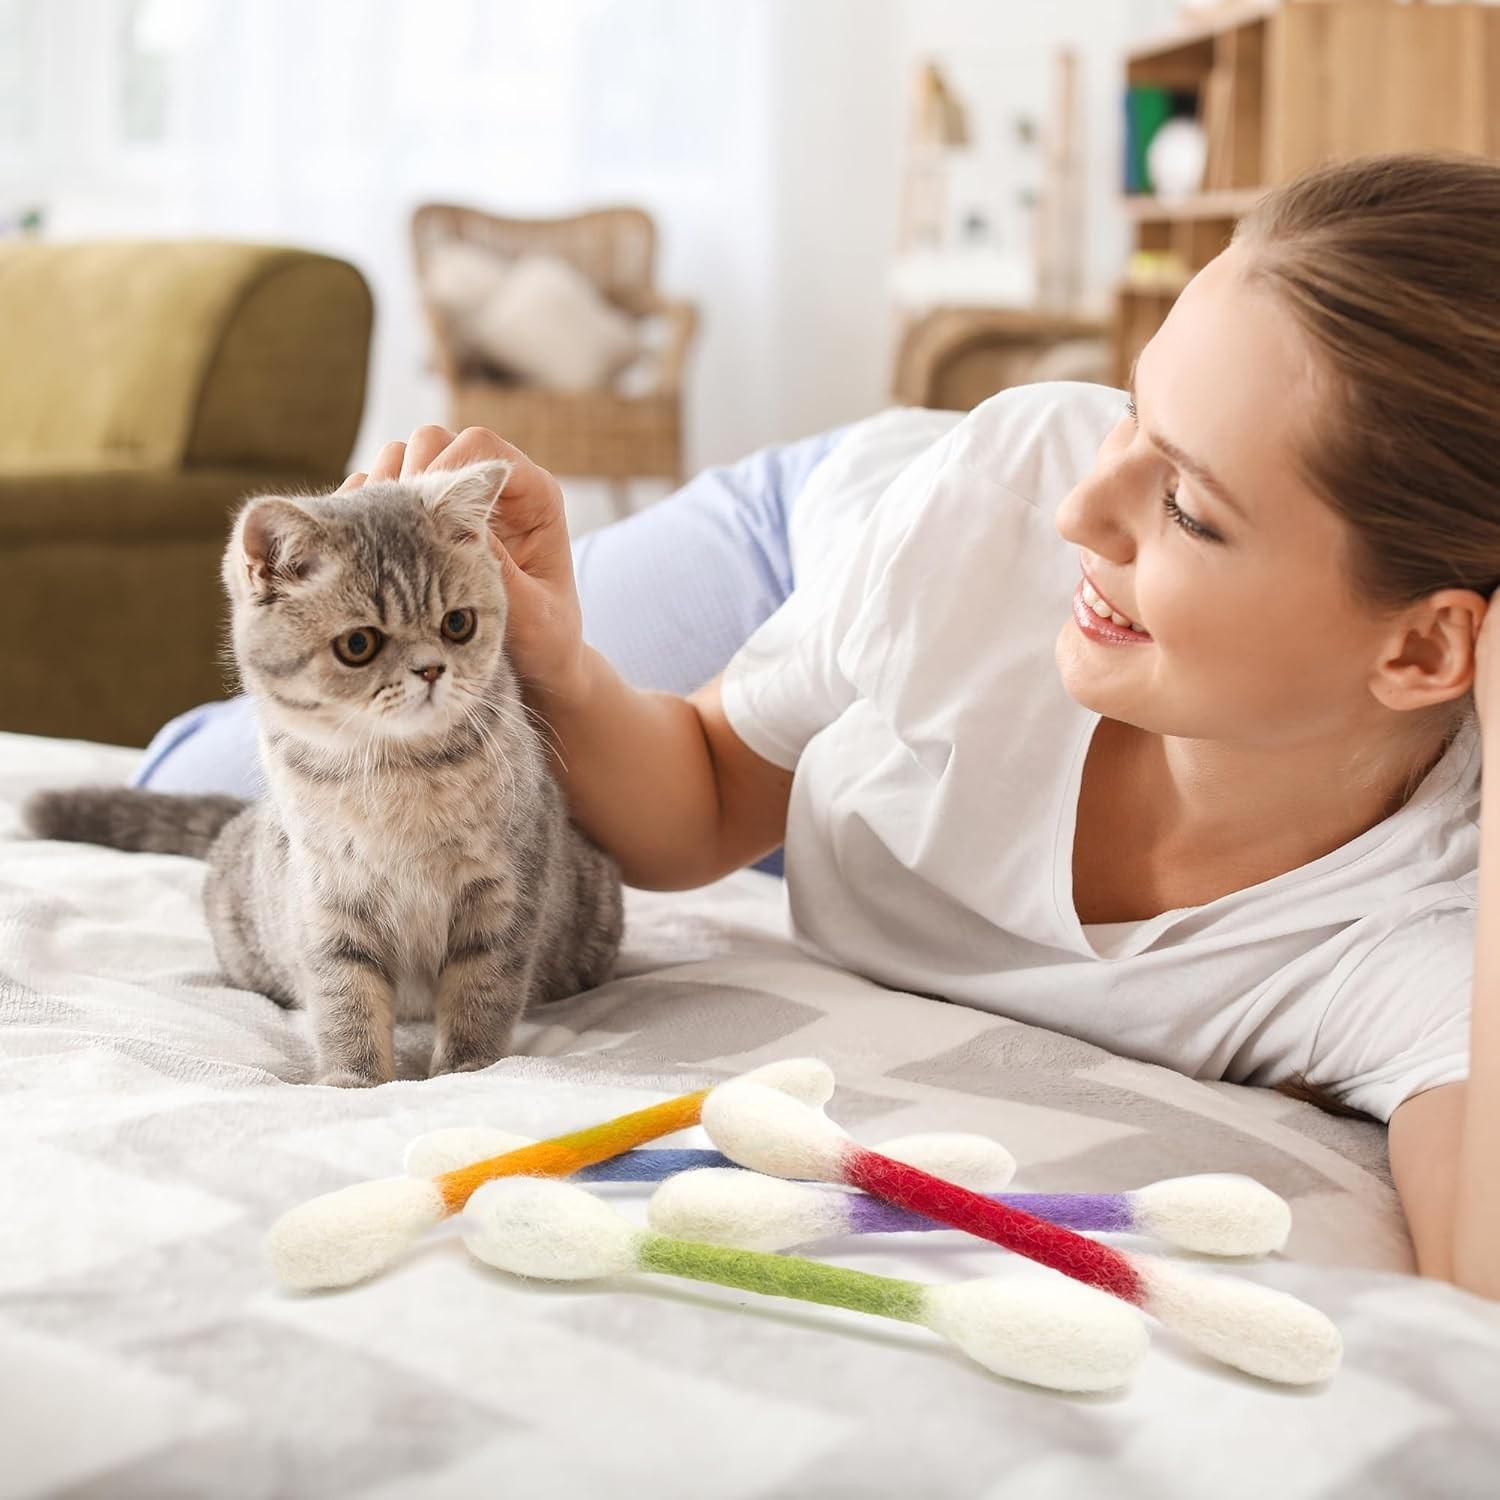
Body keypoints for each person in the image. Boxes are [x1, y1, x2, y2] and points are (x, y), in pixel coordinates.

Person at [141, 151, 1500, 1298]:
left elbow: (1481, 1282)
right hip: (828, 574)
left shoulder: (1424, 919)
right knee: (204, 779)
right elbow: (704, 805)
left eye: (1192, 506)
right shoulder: (1014, 505)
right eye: (1134, 409)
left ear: (1434, 644)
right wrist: (553, 655)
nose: (1091, 509)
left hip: (899, 780)